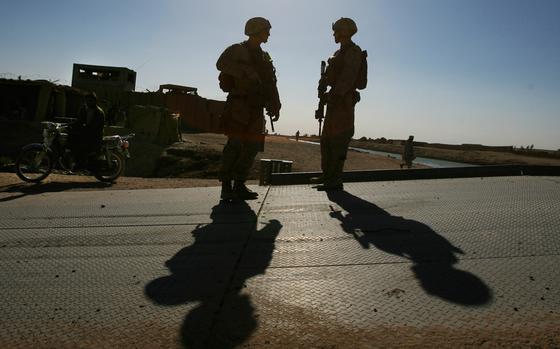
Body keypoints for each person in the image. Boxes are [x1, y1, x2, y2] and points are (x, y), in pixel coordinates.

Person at [216, 17, 281, 200]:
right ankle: (226, 186)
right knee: (234, 145)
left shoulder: (264, 56)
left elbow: (270, 82)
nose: (268, 34)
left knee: (252, 147)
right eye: (265, 30)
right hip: (239, 105)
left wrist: (275, 103)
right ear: (255, 30)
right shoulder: (237, 50)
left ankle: (239, 184)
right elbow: (220, 64)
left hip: (257, 107)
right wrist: (245, 71)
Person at [313, 18, 365, 191]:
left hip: (343, 103)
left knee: (338, 141)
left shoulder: (353, 51)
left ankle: (335, 178)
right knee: (326, 141)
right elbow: (331, 77)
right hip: (333, 103)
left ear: (344, 31)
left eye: (336, 31)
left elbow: (348, 78)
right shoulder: (337, 53)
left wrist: (333, 95)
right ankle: (327, 175)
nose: (334, 34)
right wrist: (323, 85)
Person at [70, 92, 105, 167]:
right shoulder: (84, 109)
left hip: (95, 136)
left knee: (81, 145)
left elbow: (93, 126)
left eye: (90, 100)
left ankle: (80, 164)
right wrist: (69, 125)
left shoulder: (99, 112)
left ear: (95, 101)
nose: (87, 102)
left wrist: (83, 128)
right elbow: (79, 121)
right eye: (86, 100)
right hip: (86, 132)